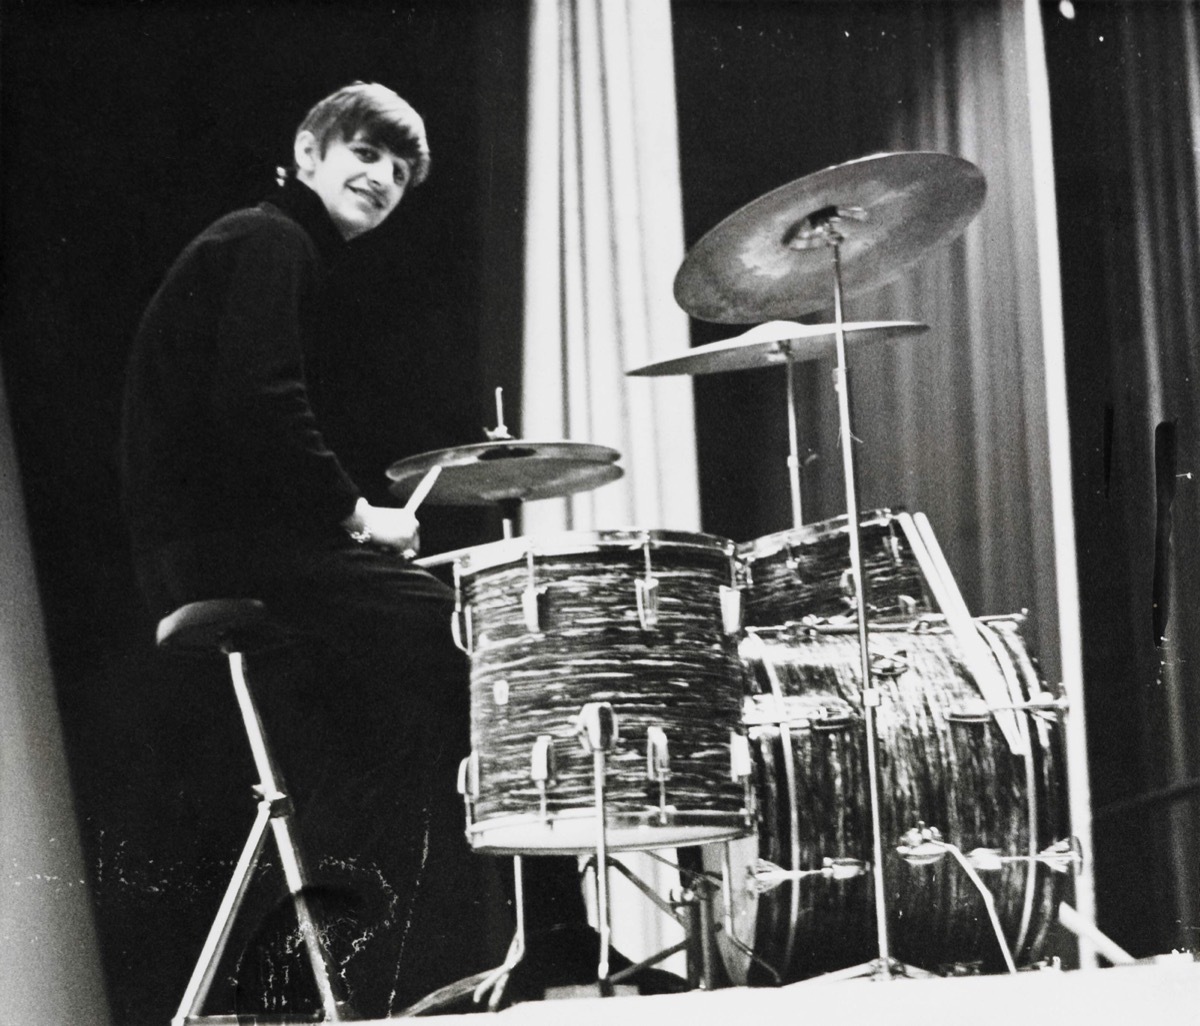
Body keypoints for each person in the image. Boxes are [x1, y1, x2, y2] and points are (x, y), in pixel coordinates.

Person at [120, 81, 508, 1017]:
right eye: (365, 154)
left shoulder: (268, 243)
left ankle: (410, 968)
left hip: (213, 549)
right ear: (310, 154)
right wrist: (359, 516)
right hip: (230, 552)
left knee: (388, 708)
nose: (383, 179)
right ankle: (521, 940)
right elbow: (259, 404)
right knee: (475, 641)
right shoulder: (270, 240)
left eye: (401, 172)